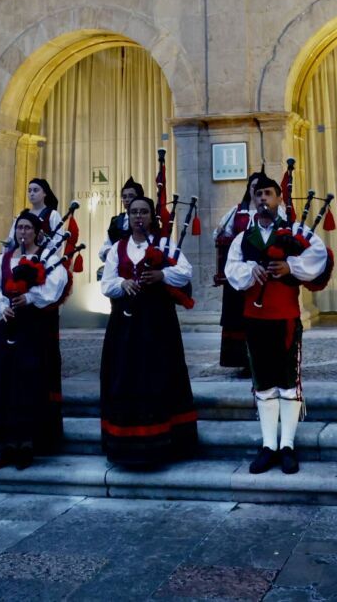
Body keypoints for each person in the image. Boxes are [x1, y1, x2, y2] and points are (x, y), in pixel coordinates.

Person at [224, 172, 330, 474]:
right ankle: (268, 445)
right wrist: (248, 270)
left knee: (287, 381)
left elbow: (318, 257)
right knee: (263, 381)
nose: (262, 199)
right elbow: (232, 270)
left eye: (268, 194)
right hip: (255, 319)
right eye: (258, 194)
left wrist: (290, 266)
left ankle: (287, 445)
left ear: (279, 198)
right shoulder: (243, 238)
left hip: (285, 318)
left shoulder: (295, 231)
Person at [98, 193, 199, 468]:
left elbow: (186, 272)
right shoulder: (117, 248)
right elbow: (106, 284)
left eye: (143, 212)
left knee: (159, 375)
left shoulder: (164, 245)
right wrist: (122, 283)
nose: (138, 217)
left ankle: (164, 443)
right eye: (133, 213)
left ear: (152, 217)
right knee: (126, 375)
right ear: (127, 218)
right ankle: (126, 445)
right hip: (126, 324)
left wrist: (161, 275)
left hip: (158, 323)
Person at [0, 210, 68, 469]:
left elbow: (56, 285)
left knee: (30, 382)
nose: (23, 232)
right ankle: (8, 444)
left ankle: (29, 444)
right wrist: (0, 307)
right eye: (20, 228)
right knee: (5, 381)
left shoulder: (48, 257)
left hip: (34, 328)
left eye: (28, 228)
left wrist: (30, 298)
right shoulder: (5, 259)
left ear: (37, 232)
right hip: (7, 327)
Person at [213, 173, 265, 376]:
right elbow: (221, 235)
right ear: (249, 189)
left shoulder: (275, 214)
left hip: (262, 276)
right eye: (254, 187)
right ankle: (243, 361)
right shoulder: (237, 211)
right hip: (238, 275)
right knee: (239, 319)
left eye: (261, 189)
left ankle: (264, 360)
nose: (257, 192)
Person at [102, 179, 148, 250]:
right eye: (124, 197)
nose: (127, 200)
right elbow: (105, 247)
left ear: (139, 198)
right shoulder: (116, 221)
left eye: (131, 196)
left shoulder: (147, 219)